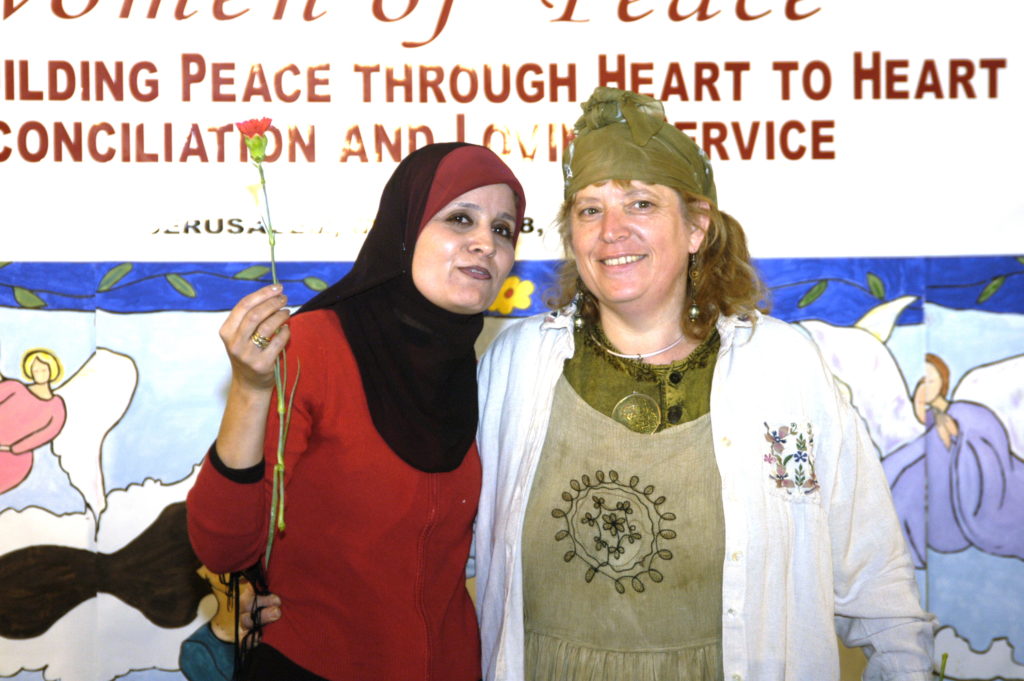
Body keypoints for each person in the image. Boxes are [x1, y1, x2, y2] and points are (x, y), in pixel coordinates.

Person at [473, 87, 936, 681]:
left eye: (640, 204)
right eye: (590, 209)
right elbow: (433, 542)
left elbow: (877, 584)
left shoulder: (784, 369)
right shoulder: (516, 364)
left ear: (696, 227)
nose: (611, 231)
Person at [186, 142, 525, 681]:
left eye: (504, 230)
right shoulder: (309, 348)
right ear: (406, 228)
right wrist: (250, 389)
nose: (485, 242)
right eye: (461, 219)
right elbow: (224, 542)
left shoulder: (491, 369)